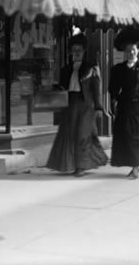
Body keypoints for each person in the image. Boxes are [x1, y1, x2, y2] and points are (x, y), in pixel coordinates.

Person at [46, 32, 108, 177]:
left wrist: (99, 107)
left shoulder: (91, 67)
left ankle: (81, 166)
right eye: (74, 50)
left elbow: (96, 89)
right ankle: (71, 164)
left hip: (86, 105)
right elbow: (62, 87)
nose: (77, 53)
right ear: (70, 52)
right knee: (69, 134)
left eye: (79, 50)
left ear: (84, 51)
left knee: (83, 135)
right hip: (70, 104)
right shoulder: (65, 69)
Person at [109, 27, 139, 179]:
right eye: (128, 50)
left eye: (133, 50)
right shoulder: (118, 69)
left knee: (138, 136)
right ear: (124, 51)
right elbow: (114, 89)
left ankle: (136, 168)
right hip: (124, 107)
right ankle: (132, 164)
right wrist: (112, 103)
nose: (131, 53)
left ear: (138, 50)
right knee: (125, 136)